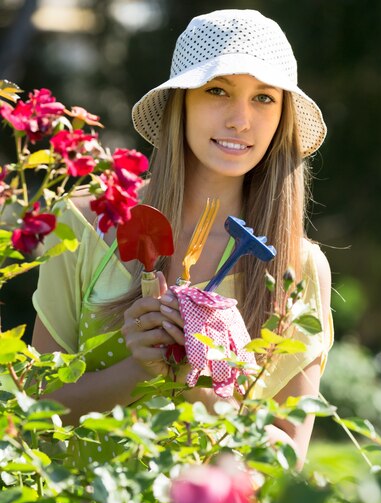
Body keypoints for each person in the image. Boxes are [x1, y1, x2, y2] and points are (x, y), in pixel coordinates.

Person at [32, 9, 333, 465]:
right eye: (218, 90)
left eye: (264, 99)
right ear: (181, 103)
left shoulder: (300, 265)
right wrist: (138, 370)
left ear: (282, 117)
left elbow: (288, 461)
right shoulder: (84, 224)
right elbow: (35, 413)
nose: (240, 120)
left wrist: (200, 386)